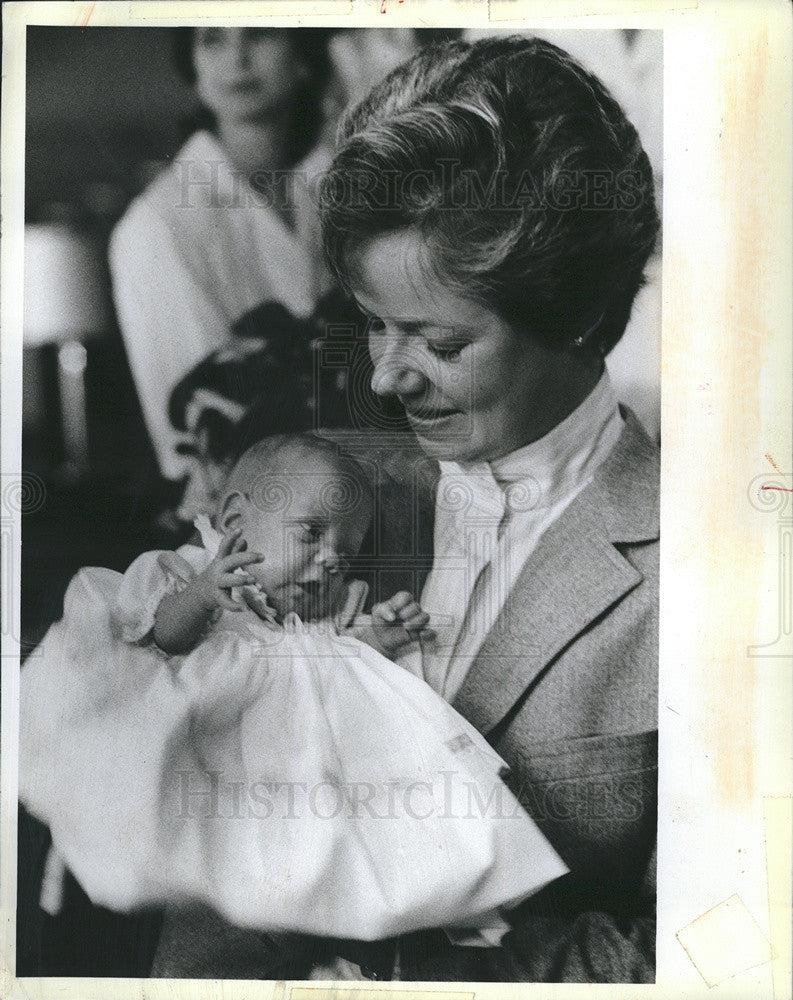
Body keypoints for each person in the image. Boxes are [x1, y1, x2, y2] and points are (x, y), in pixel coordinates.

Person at [313, 33, 661, 982]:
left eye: (435, 340)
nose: (385, 377)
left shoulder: (704, 575)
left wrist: (446, 963)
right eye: (374, 325)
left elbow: (707, 952)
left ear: (578, 311)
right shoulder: (324, 499)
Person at [20, 434, 567, 965]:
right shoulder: (184, 573)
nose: (331, 560)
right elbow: (159, 637)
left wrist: (383, 637)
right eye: (311, 534)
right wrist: (205, 593)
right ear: (235, 523)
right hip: (203, 749)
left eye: (345, 552)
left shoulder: (305, 618)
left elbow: (329, 662)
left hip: (278, 769)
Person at [109, 28, 336, 484]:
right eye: (212, 39)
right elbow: (202, 424)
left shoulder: (330, 187)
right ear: (193, 70)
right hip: (242, 497)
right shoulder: (159, 222)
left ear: (304, 57)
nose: (238, 56)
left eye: (260, 33)